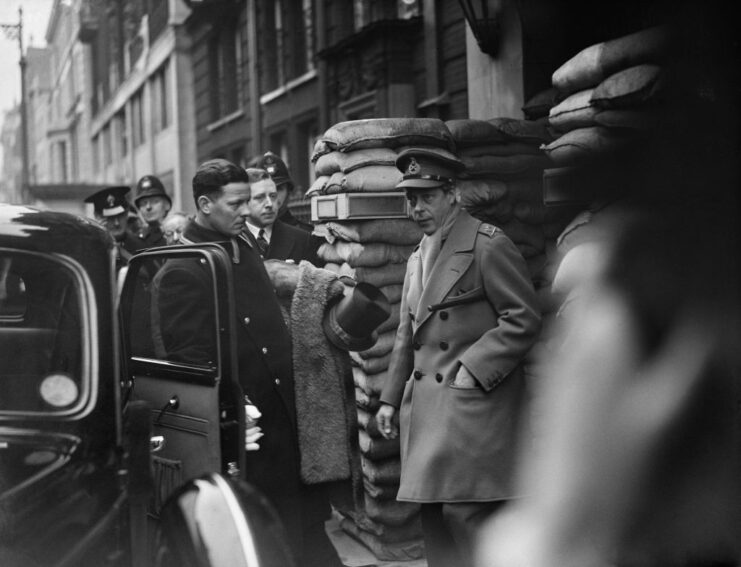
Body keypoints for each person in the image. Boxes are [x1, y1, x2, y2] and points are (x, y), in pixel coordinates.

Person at [151, 158, 389, 567]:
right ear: (205, 204)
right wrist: (232, 413)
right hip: (246, 432)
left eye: (249, 200)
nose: (247, 211)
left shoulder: (237, 243)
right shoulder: (186, 268)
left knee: (304, 530)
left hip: (280, 418)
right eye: (236, 203)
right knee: (269, 539)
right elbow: (190, 362)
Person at [375, 147, 542, 567]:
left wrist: (474, 368)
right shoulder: (417, 256)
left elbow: (521, 317)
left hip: (475, 411)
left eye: (426, 196)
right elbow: (406, 334)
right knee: (436, 523)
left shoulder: (488, 244)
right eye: (410, 198)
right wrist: (389, 399)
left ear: (453, 193)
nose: (416, 208)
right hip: (431, 410)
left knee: (469, 521)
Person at [242, 167, 320, 264]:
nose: (270, 204)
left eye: (273, 196)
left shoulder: (302, 240)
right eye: (260, 197)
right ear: (244, 201)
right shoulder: (233, 240)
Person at [84, 185, 148, 272]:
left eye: (120, 216)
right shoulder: (89, 250)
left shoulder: (141, 247)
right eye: (110, 218)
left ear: (127, 214)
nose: (116, 223)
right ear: (97, 217)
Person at [254, 151, 314, 232]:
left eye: (279, 189)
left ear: (288, 191)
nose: (273, 196)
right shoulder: (244, 236)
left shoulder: (305, 235)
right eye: (265, 189)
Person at [133, 174, 171, 247]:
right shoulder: (136, 240)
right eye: (144, 203)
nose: (148, 207)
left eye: (155, 201)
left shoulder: (178, 232)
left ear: (167, 205)